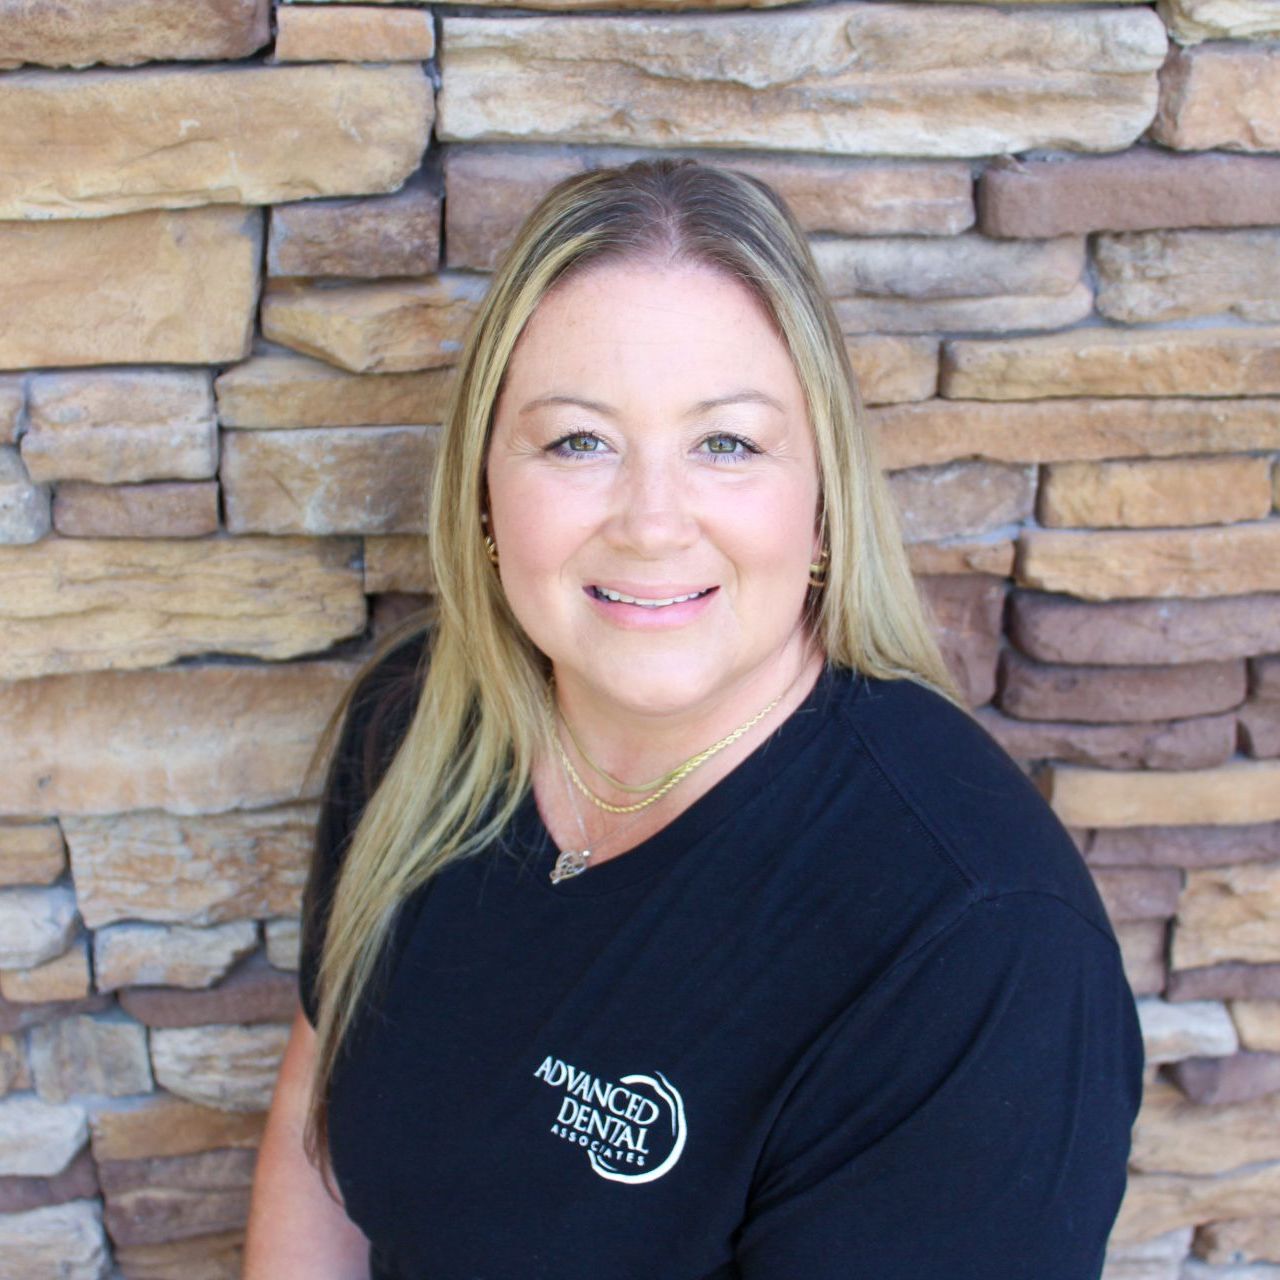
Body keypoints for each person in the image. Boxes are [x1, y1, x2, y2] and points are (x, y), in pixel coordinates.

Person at [244, 158, 1144, 1280]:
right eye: (578, 440)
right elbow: (311, 1128)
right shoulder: (421, 718)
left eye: (726, 442)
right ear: (484, 491)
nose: (651, 523)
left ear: (820, 500)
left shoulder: (979, 953)